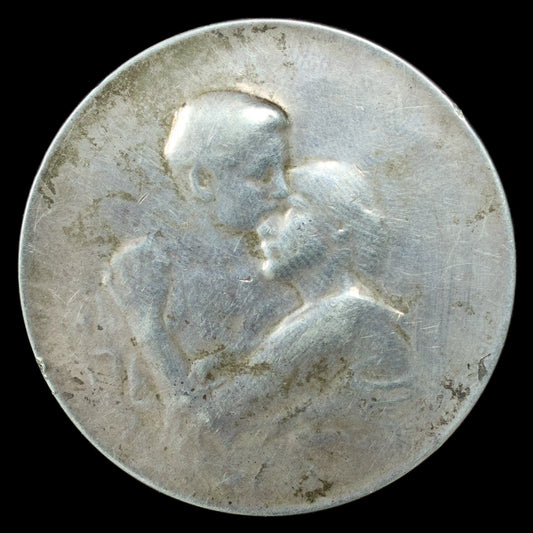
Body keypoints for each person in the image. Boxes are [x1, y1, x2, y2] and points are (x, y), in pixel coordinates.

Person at [101, 91, 300, 403]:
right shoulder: (133, 273)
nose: (283, 189)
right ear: (203, 182)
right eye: (262, 174)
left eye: (282, 171)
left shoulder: (282, 291)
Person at [192, 161, 413, 424]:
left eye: (290, 209)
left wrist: (154, 331)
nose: (264, 229)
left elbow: (212, 419)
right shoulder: (320, 315)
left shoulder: (350, 317)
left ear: (338, 224)